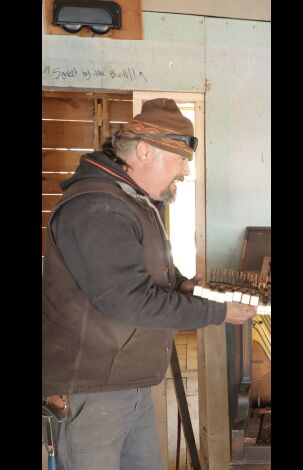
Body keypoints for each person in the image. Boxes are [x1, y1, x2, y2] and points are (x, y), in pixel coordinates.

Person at [42, 98, 256, 470]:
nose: (186, 171)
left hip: (128, 381)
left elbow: (149, 276)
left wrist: (183, 288)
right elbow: (129, 300)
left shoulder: (134, 201)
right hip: (94, 390)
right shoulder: (98, 208)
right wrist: (218, 311)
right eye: (180, 160)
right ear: (144, 152)